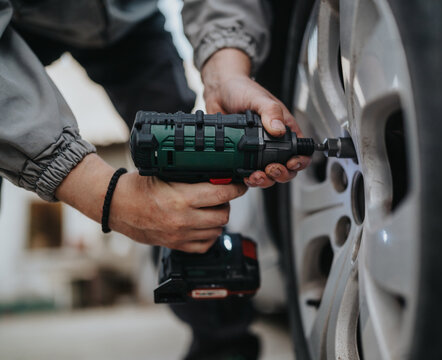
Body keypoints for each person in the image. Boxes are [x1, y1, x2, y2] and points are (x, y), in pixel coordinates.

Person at [0, 0, 308, 359]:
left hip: (129, 19)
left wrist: (227, 69)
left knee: (184, 170)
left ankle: (223, 344)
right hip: (16, 25)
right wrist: (104, 194)